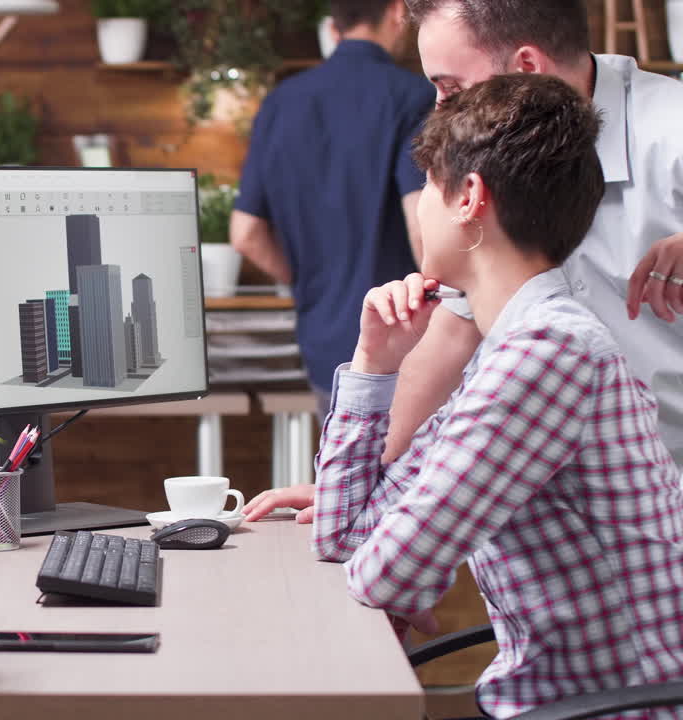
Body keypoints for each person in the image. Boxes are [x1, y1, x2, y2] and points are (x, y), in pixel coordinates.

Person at [314, 73, 683, 719]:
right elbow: (345, 535)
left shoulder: (547, 354)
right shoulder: (508, 350)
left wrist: (390, 545)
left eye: (429, 184)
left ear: (470, 198)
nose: (420, 206)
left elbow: (387, 576)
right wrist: (375, 364)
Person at [243, 0, 683, 524]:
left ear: (526, 67)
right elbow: (453, 329)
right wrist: (352, 486)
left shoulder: (671, 130)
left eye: (449, 87)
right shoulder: (490, 151)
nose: (439, 107)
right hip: (569, 521)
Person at [230, 0, 433, 419]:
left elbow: (245, 233)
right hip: (404, 337)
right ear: (397, 13)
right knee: (411, 480)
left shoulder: (280, 103)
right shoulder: (414, 97)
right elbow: (422, 228)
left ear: (333, 25)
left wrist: (310, 283)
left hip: (321, 339)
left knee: (346, 469)